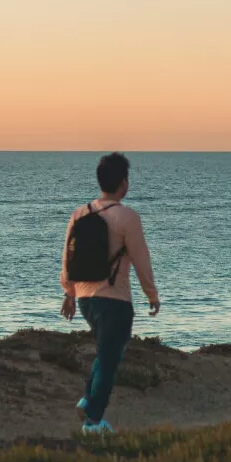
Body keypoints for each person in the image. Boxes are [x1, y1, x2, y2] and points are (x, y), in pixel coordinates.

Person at [61, 152, 160, 436]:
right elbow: (142, 259)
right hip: (114, 299)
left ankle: (87, 400)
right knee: (109, 358)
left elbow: (67, 257)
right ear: (124, 184)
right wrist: (151, 294)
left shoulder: (80, 214)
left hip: (85, 299)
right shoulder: (127, 217)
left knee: (105, 352)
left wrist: (69, 292)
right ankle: (93, 421)